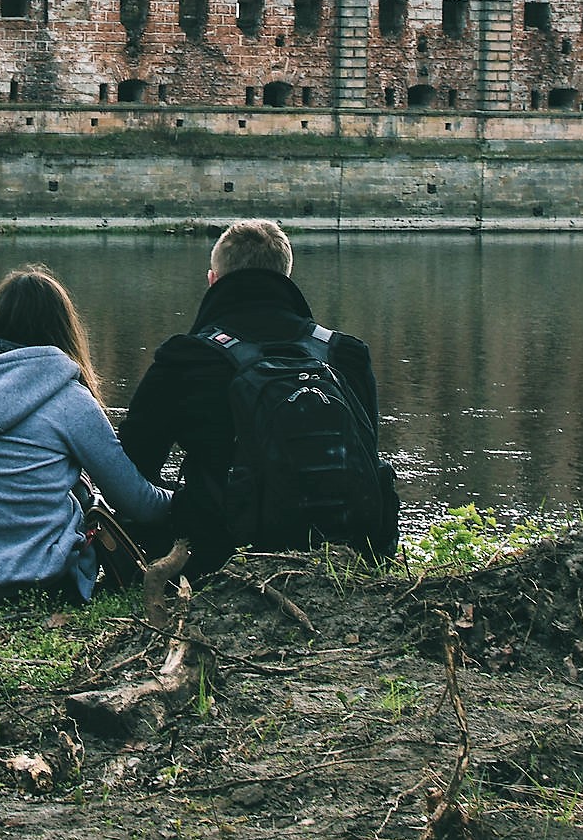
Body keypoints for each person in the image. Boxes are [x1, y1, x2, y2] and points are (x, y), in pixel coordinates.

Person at [118, 219, 391, 575]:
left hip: (225, 556)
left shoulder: (187, 357)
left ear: (213, 281)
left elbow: (134, 466)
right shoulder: (347, 354)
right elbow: (367, 453)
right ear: (287, 279)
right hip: (350, 549)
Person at [0, 264, 172, 604]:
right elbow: (138, 503)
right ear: (64, 329)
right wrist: (191, 497)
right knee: (84, 498)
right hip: (39, 580)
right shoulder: (70, 400)